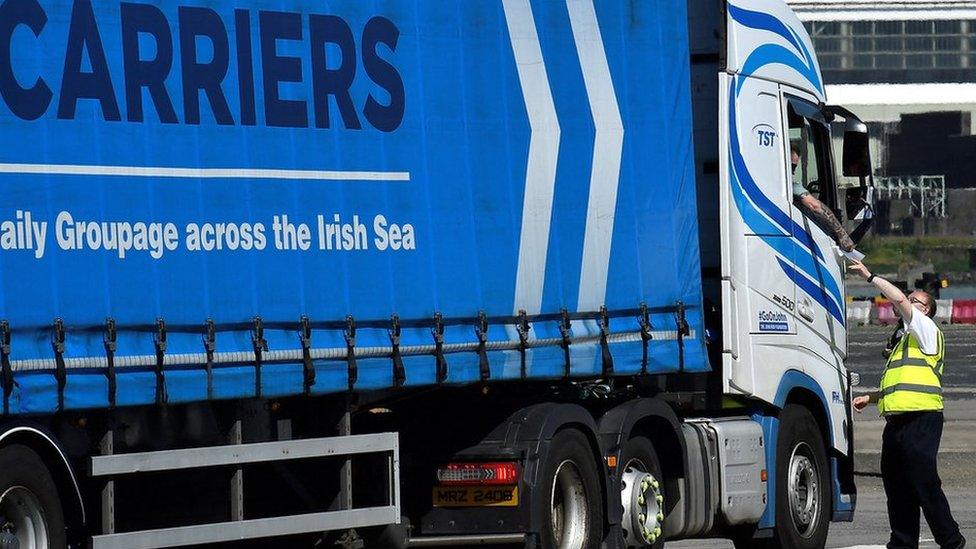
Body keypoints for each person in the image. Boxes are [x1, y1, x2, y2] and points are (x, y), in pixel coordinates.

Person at [849, 259, 966, 549]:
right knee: (897, 486)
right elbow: (901, 382)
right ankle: (902, 543)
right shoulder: (904, 342)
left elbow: (898, 297)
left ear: (925, 311)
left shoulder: (925, 329)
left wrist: (870, 276)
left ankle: (951, 540)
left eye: (916, 302)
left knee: (923, 481)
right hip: (897, 422)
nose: (908, 303)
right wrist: (872, 397)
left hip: (922, 419)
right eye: (911, 301)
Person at [791, 144, 855, 252]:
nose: (793, 172)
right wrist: (843, 236)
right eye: (792, 167)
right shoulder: (791, 186)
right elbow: (815, 206)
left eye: (795, 168)